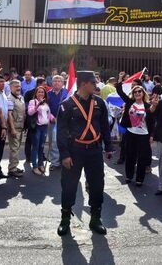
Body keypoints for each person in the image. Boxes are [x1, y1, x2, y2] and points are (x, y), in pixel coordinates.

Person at [56, 71, 114, 236]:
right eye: (93, 83)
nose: (96, 86)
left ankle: (95, 218)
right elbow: (61, 132)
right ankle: (65, 219)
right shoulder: (66, 104)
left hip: (94, 150)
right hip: (74, 151)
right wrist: (64, 155)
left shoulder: (100, 103)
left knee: (97, 185)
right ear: (83, 84)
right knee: (69, 185)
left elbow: (104, 127)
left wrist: (108, 147)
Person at [116, 83, 154, 186]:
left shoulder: (148, 106)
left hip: (144, 135)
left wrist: (151, 136)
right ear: (133, 94)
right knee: (130, 156)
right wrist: (120, 80)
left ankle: (140, 179)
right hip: (131, 133)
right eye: (135, 92)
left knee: (142, 157)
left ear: (143, 93)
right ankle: (129, 176)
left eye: (139, 91)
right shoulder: (130, 102)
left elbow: (152, 121)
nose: (137, 93)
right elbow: (120, 91)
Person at [28, 86, 54, 175]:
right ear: (36, 93)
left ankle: (41, 164)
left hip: (45, 127)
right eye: (39, 92)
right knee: (35, 146)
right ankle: (35, 166)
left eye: (42, 92)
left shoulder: (45, 103)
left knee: (41, 146)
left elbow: (48, 114)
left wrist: (53, 118)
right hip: (37, 127)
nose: (41, 94)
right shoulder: (33, 101)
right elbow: (30, 112)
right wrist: (37, 105)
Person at [47, 75, 68, 170]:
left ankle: (64, 160)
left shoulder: (66, 93)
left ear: (62, 83)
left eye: (59, 81)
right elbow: (46, 108)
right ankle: (55, 162)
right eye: (55, 81)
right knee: (53, 142)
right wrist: (51, 117)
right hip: (52, 121)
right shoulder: (48, 94)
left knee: (64, 141)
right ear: (52, 83)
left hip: (64, 122)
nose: (56, 82)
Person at [6, 80, 25, 177]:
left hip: (20, 127)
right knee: (14, 149)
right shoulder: (9, 99)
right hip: (14, 128)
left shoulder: (21, 97)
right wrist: (12, 129)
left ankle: (14, 166)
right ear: (11, 87)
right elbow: (9, 115)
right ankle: (12, 170)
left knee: (17, 148)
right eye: (16, 86)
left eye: (19, 86)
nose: (18, 88)